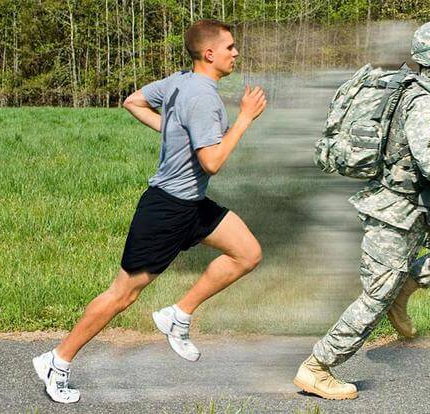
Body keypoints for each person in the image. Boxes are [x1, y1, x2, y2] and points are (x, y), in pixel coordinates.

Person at [33, 19, 267, 404]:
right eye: (230, 47)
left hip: (191, 205)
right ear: (209, 53)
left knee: (247, 252)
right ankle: (57, 360)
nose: (235, 53)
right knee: (122, 295)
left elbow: (133, 101)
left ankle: (178, 315)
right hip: (166, 210)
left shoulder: (178, 81)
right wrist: (243, 119)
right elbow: (211, 162)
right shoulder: (203, 97)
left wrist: (175, 133)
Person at [294, 20, 430, 400]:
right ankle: (317, 367)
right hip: (395, 211)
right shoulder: (425, 102)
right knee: (375, 296)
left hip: (422, 205)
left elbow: (426, 152)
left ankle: (406, 286)